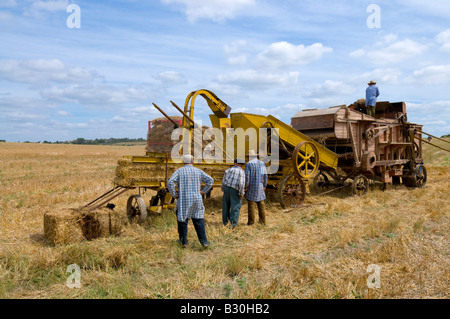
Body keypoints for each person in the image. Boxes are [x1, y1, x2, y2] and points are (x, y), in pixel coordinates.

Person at [168, 154, 214, 248]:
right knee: (198, 219)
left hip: (184, 199)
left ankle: (184, 242)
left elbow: (170, 182)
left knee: (182, 220)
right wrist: (203, 191)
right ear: (193, 162)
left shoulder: (179, 171)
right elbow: (210, 180)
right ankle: (204, 242)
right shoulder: (198, 171)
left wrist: (174, 195)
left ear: (183, 162)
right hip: (196, 199)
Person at [244, 150, 268, 225]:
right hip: (260, 187)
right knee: (261, 204)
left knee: (251, 205)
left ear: (250, 157)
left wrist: (246, 186)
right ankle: (262, 222)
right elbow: (265, 176)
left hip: (251, 187)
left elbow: (247, 177)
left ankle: (251, 222)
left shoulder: (248, 164)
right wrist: (264, 185)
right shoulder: (262, 164)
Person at [221, 158, 246, 228]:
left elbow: (223, 181)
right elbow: (241, 184)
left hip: (226, 188)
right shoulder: (241, 172)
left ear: (235, 163)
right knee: (235, 207)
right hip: (235, 190)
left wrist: (223, 189)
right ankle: (233, 225)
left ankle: (225, 222)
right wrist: (241, 193)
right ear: (241, 165)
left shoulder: (228, 170)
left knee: (226, 206)